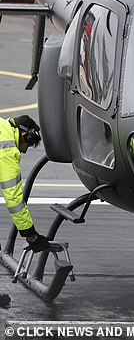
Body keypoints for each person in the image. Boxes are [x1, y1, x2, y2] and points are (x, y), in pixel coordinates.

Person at [1, 115, 50, 309]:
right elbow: (14, 200)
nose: (26, 149)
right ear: (25, 135)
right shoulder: (7, 150)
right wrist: (30, 235)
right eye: (28, 145)